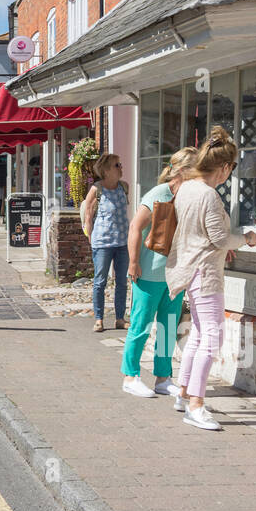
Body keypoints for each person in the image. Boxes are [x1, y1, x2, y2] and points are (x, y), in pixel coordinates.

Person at [166, 126, 256, 430]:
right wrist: (246, 238)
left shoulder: (187, 188)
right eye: (230, 168)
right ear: (223, 167)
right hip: (206, 273)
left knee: (198, 335)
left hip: (190, 268)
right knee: (212, 338)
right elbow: (219, 238)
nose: (229, 174)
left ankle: (182, 393)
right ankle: (197, 405)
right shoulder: (208, 195)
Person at [122, 147, 196, 398]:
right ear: (184, 171)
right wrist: (133, 263)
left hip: (173, 275)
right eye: (196, 171)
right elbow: (135, 227)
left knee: (167, 327)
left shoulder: (187, 197)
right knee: (141, 325)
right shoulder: (159, 193)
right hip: (149, 273)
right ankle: (130, 376)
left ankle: (163, 378)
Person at [81, 152, 129, 333]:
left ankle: (119, 318)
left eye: (120, 164)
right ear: (106, 170)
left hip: (122, 241)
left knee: (122, 282)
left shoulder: (124, 187)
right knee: (100, 281)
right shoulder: (97, 189)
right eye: (117, 165)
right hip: (102, 242)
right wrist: (91, 238)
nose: (121, 167)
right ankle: (99, 319)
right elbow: (88, 215)